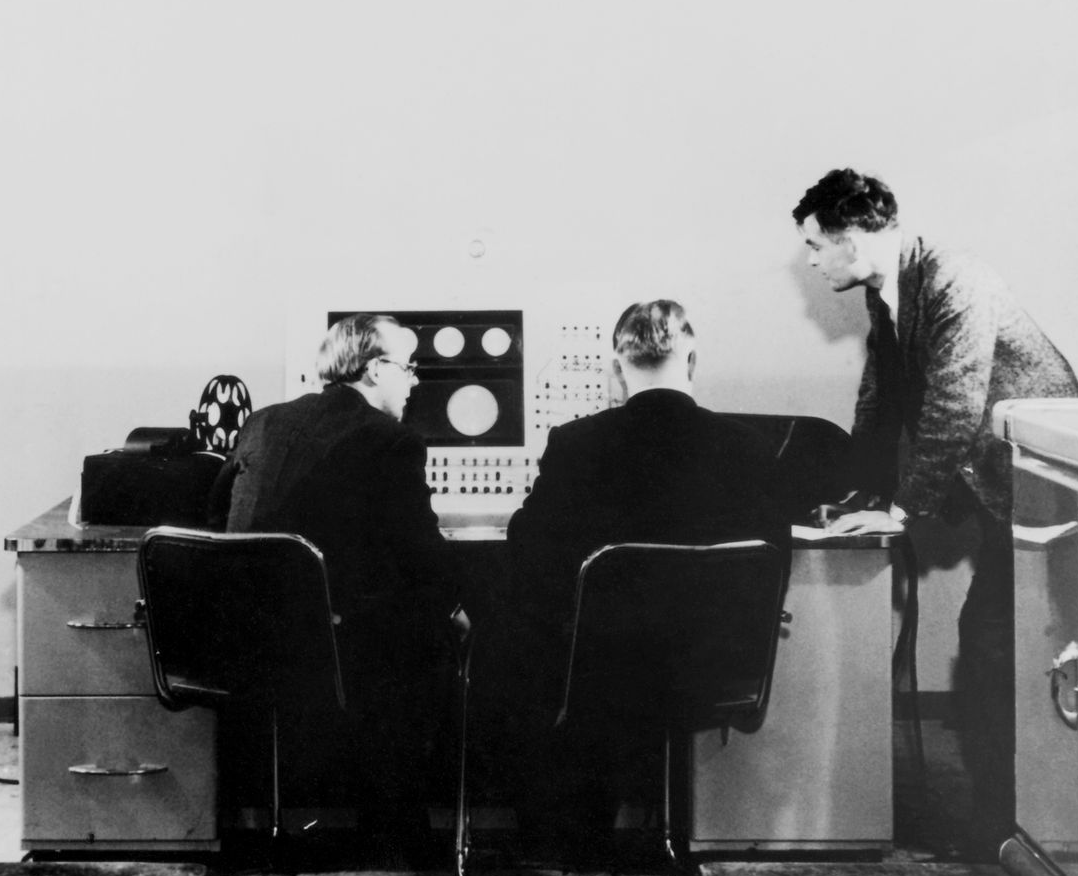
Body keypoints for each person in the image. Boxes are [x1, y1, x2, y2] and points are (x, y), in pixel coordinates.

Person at [790, 167, 1078, 856]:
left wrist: (900, 512)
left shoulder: (954, 279)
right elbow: (881, 401)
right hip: (1004, 490)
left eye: (815, 245)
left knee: (994, 647)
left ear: (852, 237)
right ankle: (1005, 822)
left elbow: (954, 403)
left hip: (1051, 494)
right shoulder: (891, 293)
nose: (811, 261)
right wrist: (855, 496)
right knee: (992, 648)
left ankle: (1004, 830)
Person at [486, 299, 784, 848]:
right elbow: (773, 558)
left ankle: (557, 834)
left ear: (617, 368)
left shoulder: (576, 444)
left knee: (516, 641)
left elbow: (529, 547)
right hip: (715, 663)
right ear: (691, 360)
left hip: (604, 667)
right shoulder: (749, 448)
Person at [207, 313, 462, 845]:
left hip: (238, 640)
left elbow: (214, 515)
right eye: (408, 368)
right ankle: (397, 835)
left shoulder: (263, 422)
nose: (414, 382)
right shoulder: (391, 441)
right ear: (374, 370)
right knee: (426, 636)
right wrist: (460, 609)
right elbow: (423, 554)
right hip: (333, 651)